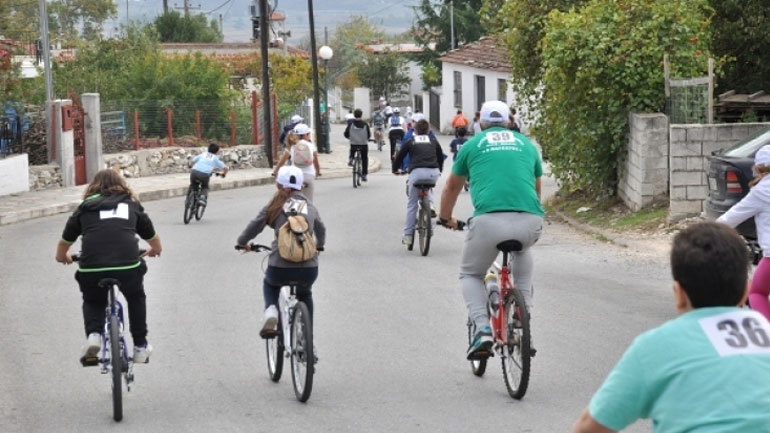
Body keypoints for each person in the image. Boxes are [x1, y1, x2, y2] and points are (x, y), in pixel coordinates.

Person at [571, 221, 770, 433]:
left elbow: (589, 428)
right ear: (745, 292)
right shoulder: (765, 331)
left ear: (679, 294)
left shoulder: (656, 346)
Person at [438, 100, 544, 360]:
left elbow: (452, 187)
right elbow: (536, 186)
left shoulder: (473, 145)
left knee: (470, 274)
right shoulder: (526, 146)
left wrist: (445, 217)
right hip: (529, 219)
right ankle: (524, 314)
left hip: (488, 222)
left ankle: (483, 329)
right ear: (509, 121)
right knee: (522, 250)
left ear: (480, 124)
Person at [55, 169, 163, 365]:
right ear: (121, 185)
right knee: (136, 296)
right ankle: (140, 346)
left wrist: (64, 257)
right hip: (128, 265)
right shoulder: (131, 205)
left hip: (92, 267)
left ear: (93, 187)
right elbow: (153, 239)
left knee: (93, 300)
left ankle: (94, 336)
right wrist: (154, 250)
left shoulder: (85, 207)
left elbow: (64, 243)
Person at [236, 166, 326, 359]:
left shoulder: (274, 207)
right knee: (305, 293)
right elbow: (322, 229)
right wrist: (319, 247)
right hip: (308, 268)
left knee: (270, 283)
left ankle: (271, 310)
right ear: (301, 186)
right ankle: (307, 340)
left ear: (279, 185)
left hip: (280, 267)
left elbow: (254, 226)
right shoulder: (310, 207)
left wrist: (242, 243)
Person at [717, 145, 770, 321]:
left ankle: (767, 333)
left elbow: (731, 218)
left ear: (759, 168)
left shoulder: (762, 191)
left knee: (756, 292)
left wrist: (705, 232)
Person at [392, 119, 444, 247]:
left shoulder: (411, 141)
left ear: (415, 130)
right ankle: (430, 207)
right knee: (428, 188)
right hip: (433, 173)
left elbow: (400, 157)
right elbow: (440, 157)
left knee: (412, 205)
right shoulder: (433, 141)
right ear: (428, 131)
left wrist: (395, 169)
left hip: (417, 173)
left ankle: (408, 236)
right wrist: (439, 170)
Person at [272, 123, 321, 202]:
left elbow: (282, 161)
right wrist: (318, 172)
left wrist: (275, 171)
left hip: (295, 177)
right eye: (308, 134)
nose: (309, 136)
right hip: (309, 176)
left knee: (292, 200)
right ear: (305, 135)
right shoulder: (311, 146)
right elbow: (316, 163)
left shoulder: (292, 146)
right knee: (308, 202)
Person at [344, 108, 372, 182]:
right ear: (361, 115)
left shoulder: (351, 124)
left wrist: (350, 137)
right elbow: (369, 135)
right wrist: (367, 138)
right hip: (363, 144)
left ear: (354, 115)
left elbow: (346, 134)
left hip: (354, 144)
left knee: (352, 149)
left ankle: (351, 158)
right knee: (364, 159)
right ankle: (364, 174)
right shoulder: (365, 124)